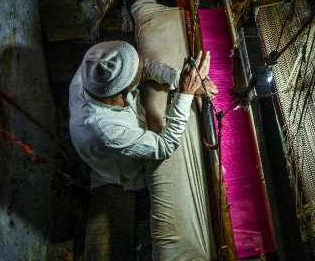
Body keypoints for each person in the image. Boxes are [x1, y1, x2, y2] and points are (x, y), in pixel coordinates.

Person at [68, 40, 217, 260]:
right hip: (117, 173)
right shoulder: (106, 128)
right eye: (135, 74)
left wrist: (179, 79)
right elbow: (165, 146)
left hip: (100, 144)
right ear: (121, 91)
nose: (142, 69)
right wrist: (185, 94)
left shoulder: (95, 71)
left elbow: (144, 67)